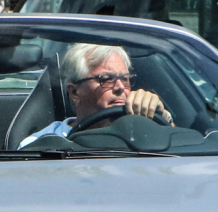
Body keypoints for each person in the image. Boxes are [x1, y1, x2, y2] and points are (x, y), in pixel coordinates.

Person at [19, 43, 171, 147]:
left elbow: (181, 151)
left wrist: (160, 116)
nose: (119, 87)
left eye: (125, 79)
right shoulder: (41, 144)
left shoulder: (145, 132)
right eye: (106, 79)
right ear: (74, 92)